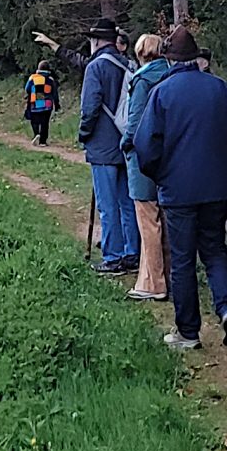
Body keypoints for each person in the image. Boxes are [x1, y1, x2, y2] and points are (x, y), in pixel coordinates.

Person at [134, 28, 227, 349]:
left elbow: (146, 145)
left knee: (183, 259)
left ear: (169, 59)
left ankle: (188, 331)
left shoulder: (162, 92)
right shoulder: (222, 89)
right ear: (196, 58)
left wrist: (159, 175)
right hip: (217, 187)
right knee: (215, 250)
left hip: (178, 190)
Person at [78, 17, 140, 274]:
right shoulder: (129, 64)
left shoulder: (95, 67)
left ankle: (112, 257)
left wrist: (84, 133)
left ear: (95, 41)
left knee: (107, 204)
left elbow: (90, 106)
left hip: (102, 144)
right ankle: (132, 252)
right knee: (127, 200)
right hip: (126, 140)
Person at [120, 35, 172, 300]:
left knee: (147, 220)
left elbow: (136, 121)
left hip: (142, 158)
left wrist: (125, 144)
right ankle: (167, 274)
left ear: (141, 52)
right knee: (164, 218)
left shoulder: (142, 80)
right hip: (168, 156)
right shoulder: (170, 75)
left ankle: (153, 282)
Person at [23, 60, 61, 145]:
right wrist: (57, 103)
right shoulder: (50, 80)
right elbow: (54, 93)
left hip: (35, 102)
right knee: (45, 122)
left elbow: (27, 89)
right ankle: (43, 141)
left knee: (34, 120)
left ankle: (36, 134)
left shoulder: (33, 78)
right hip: (47, 104)